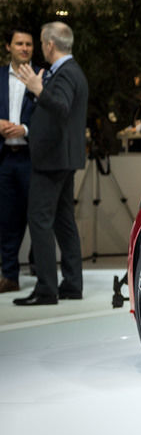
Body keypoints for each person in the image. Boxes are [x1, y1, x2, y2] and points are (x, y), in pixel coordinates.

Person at [11, 21, 88, 306]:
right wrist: (39, 90)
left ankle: (46, 289)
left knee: (40, 219)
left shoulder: (66, 72)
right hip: (61, 158)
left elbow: (61, 107)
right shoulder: (70, 71)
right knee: (63, 220)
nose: (41, 48)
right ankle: (72, 284)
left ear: (50, 44)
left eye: (42, 43)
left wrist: (38, 89)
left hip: (53, 159)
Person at [1, 27, 42, 294]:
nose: (24, 48)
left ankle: (41, 273)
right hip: (4, 159)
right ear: (9, 47)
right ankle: (9, 276)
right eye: (19, 43)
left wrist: (25, 129)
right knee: (7, 219)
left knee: (38, 217)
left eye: (28, 44)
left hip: (32, 158)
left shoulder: (41, 77)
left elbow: (49, 116)